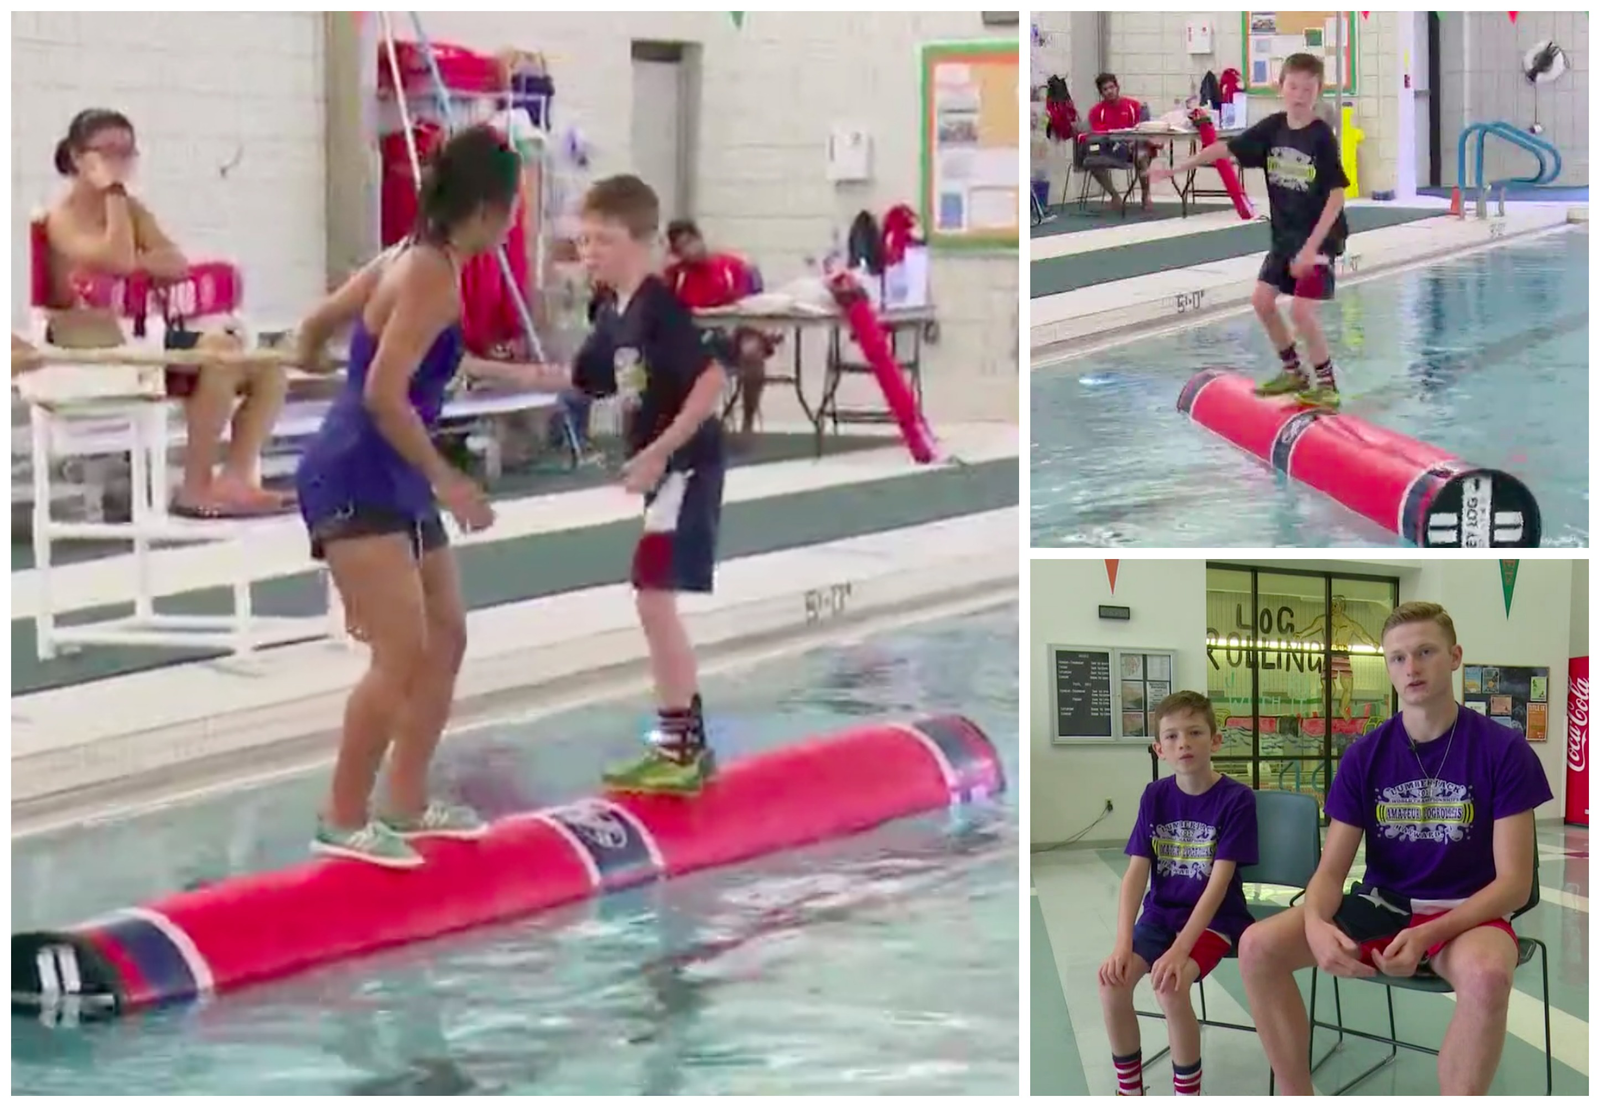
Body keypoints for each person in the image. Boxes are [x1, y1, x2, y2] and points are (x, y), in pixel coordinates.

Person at [291, 124, 513, 867]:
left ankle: (405, 800)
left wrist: (320, 360)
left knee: (446, 634)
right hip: (359, 468)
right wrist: (450, 480)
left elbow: (314, 326)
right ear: (489, 210)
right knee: (401, 650)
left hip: (391, 471)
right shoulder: (429, 274)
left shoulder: (406, 257)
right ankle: (342, 815)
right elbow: (387, 395)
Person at [467, 176, 728, 795]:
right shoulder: (614, 314)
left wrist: (659, 454)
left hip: (687, 467)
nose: (589, 252)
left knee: (652, 598)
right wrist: (480, 368)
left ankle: (682, 748)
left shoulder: (660, 307)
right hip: (665, 472)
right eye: (583, 240)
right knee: (651, 599)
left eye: (603, 240)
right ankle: (680, 743)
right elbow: (574, 379)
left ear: (644, 241)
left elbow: (712, 380)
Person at [1238, 601, 1553, 1095]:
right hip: (1384, 905)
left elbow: (1513, 884)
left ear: (1454, 656)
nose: (1412, 668)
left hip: (1467, 912)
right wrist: (1318, 925)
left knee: (1489, 976)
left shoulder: (1503, 750)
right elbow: (1329, 871)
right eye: (1398, 658)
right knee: (1257, 946)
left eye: (1425, 651)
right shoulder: (1366, 755)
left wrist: (1433, 935)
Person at [43, 108, 291, 517]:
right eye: (106, 152)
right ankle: (195, 488)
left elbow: (174, 262)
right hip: (93, 341)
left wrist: (134, 257)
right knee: (219, 353)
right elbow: (120, 257)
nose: (118, 162)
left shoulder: (132, 212)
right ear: (77, 157)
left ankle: (236, 477)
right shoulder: (62, 219)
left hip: (146, 334)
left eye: (126, 152)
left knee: (268, 368)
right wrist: (117, 199)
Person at [1150, 53, 1350, 409]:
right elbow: (1223, 148)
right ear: (1280, 87)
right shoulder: (1273, 128)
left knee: (1302, 312)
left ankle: (1327, 385)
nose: (1300, 94)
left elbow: (1336, 197)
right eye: (1293, 86)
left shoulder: (1321, 137)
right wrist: (1176, 168)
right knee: (1261, 301)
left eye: (1308, 88)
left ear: (1319, 92)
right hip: (1285, 238)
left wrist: (1312, 248)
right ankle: (1294, 373)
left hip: (1320, 238)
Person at [1099, 690, 1258, 1097]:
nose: (1182, 742)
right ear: (1159, 749)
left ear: (1215, 740)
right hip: (1160, 916)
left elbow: (1219, 884)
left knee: (1170, 985)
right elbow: (1136, 873)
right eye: (1171, 736)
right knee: (1111, 983)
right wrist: (1122, 944)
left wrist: (1180, 949)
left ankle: (1187, 1094)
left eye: (1194, 732)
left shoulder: (1236, 799)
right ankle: (1129, 1091)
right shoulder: (1155, 796)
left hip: (1216, 920)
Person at [663, 219, 772, 440]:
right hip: (695, 341)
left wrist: (753, 332)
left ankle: (748, 423)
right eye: (683, 246)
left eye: (692, 241)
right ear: (677, 253)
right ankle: (686, 426)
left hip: (731, 336)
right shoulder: (676, 276)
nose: (691, 249)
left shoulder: (731, 267)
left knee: (752, 353)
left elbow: (751, 307)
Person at [1081, 73, 1153, 214]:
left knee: (1142, 156)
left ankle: (1146, 195)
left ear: (1117, 87)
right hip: (1110, 150)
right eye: (1105, 89)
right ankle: (1114, 196)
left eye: (1111, 87)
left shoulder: (1134, 106)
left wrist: (1134, 141)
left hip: (1133, 148)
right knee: (1090, 161)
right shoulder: (1096, 112)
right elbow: (1100, 136)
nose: (1109, 91)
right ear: (1101, 93)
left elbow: (1144, 128)